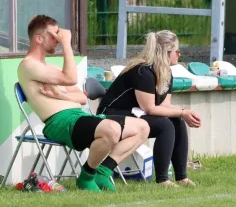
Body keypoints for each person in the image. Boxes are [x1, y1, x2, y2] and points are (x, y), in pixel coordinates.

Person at [17, 15, 150, 192]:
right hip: (61, 122)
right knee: (112, 129)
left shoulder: (50, 68)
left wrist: (59, 95)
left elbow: (81, 97)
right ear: (38, 38)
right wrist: (66, 43)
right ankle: (86, 177)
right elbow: (71, 78)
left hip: (80, 117)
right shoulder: (28, 65)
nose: (58, 39)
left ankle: (104, 170)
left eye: (60, 35)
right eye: (54, 35)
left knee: (142, 127)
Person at [96, 30, 202, 187]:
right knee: (165, 126)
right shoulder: (143, 71)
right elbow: (150, 108)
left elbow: (164, 106)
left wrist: (183, 112)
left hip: (133, 114)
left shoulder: (166, 72)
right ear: (166, 52)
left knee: (176, 121)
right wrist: (182, 112)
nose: (179, 54)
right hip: (111, 115)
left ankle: (182, 177)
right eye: (177, 51)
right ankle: (162, 179)